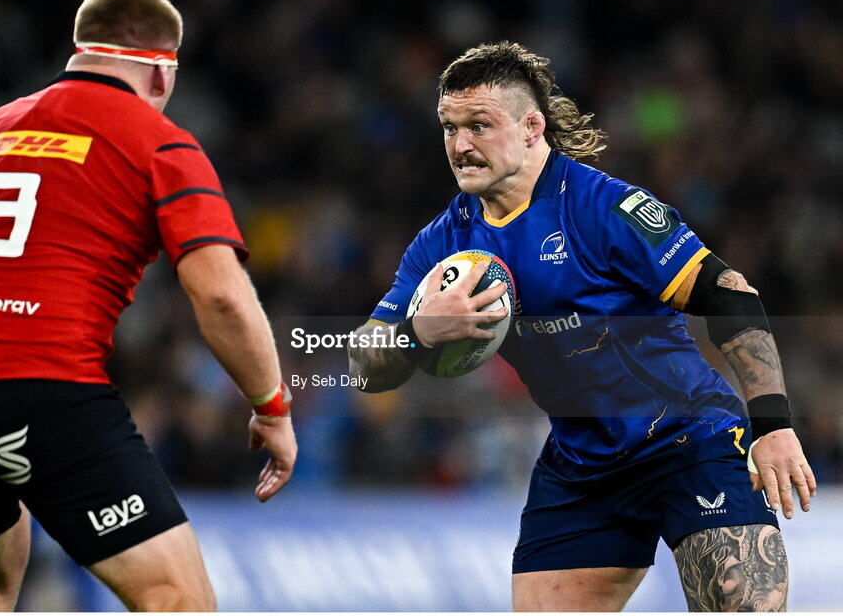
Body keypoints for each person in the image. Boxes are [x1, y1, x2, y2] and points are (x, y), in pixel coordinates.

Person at [0, 0, 296, 612]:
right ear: (163, 74)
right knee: (175, 598)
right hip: (44, 387)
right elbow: (219, 295)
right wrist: (271, 407)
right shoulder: (159, 141)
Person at [348, 41, 815, 611]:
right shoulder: (442, 245)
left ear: (530, 126)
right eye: (449, 127)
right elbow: (362, 367)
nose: (460, 145)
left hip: (689, 441)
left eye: (479, 125)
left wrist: (774, 426)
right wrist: (417, 332)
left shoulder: (602, 209)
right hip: (581, 467)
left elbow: (731, 297)